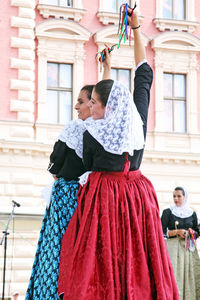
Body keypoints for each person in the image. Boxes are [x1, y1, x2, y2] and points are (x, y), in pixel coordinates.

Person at [58, 11, 179, 300]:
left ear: (104, 106)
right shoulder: (136, 118)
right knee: (138, 258)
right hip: (138, 196)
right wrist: (135, 28)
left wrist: (106, 71)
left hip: (104, 198)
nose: (91, 108)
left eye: (94, 104)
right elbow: (143, 74)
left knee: (100, 262)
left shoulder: (91, 131)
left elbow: (91, 147)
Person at [25, 85, 94, 300]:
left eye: (81, 101)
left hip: (66, 197)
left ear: (94, 104)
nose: (76, 106)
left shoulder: (74, 129)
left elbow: (55, 165)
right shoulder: (103, 132)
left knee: (55, 251)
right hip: (89, 200)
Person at [161, 186, 200, 300]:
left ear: (185, 197)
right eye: (174, 196)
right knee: (174, 274)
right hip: (173, 249)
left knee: (188, 276)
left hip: (188, 250)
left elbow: (197, 232)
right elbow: (160, 231)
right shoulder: (168, 212)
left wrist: (192, 232)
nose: (176, 199)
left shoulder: (192, 213)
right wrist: (176, 232)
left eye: (179, 196)